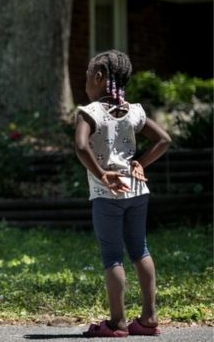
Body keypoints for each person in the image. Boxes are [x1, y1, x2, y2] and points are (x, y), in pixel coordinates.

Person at [74, 50, 171, 337]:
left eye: (88, 77)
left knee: (112, 256)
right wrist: (140, 162)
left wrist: (102, 174)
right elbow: (164, 139)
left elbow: (81, 146)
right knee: (140, 250)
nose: (86, 83)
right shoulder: (135, 111)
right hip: (138, 190)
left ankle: (117, 323)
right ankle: (149, 318)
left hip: (107, 194)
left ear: (100, 77)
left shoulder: (89, 112)